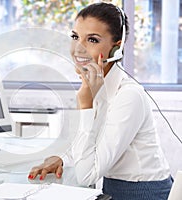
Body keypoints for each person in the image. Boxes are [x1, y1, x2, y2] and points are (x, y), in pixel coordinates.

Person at [28, 2, 173, 200]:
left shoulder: (128, 96)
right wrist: (63, 158)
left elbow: (86, 174)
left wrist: (85, 104)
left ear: (116, 49)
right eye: (75, 37)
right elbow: (91, 143)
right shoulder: (96, 86)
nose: (79, 48)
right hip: (113, 190)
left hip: (143, 194)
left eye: (92, 40)